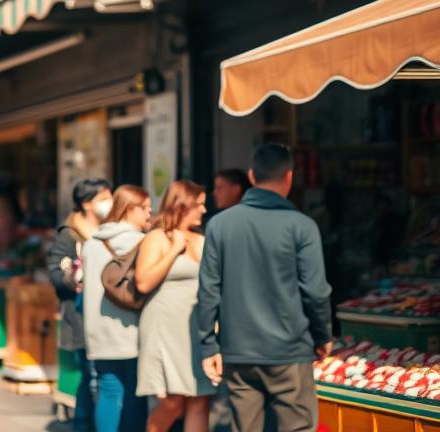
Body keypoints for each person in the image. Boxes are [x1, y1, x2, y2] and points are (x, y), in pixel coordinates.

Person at [197, 144, 333, 432]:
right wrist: (322, 335)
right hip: (289, 349)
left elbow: (209, 289)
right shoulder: (301, 225)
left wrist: (208, 344)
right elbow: (315, 290)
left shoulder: (219, 225)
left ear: (251, 175)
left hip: (237, 351)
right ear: (289, 177)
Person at [134, 180, 213, 432]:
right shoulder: (157, 237)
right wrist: (174, 250)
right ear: (182, 206)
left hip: (197, 328)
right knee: (171, 403)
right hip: (164, 329)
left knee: (199, 399)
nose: (203, 210)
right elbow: (143, 283)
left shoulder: (202, 239)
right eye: (198, 204)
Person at [81, 184, 151, 432]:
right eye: (145, 209)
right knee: (134, 396)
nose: (149, 215)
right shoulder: (144, 242)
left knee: (108, 392)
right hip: (133, 330)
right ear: (130, 209)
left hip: (99, 333)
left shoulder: (91, 244)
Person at [47, 178, 113, 432]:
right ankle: (84, 425)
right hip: (80, 314)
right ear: (86, 203)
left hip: (107, 311)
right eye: (104, 197)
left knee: (95, 377)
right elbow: (55, 274)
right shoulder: (69, 235)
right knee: (90, 375)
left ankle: (86, 423)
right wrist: (74, 277)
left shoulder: (110, 229)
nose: (110, 202)